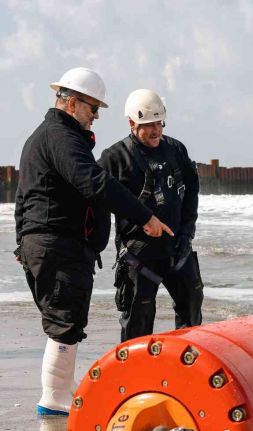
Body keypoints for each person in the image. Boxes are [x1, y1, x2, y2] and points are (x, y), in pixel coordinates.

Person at [15, 67, 174, 416]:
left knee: (64, 318)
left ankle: (61, 388)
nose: (96, 116)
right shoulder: (61, 137)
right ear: (72, 104)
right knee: (65, 320)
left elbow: (22, 196)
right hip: (58, 243)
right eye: (93, 108)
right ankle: (55, 398)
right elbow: (95, 183)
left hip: (46, 243)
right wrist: (145, 216)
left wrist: (21, 244)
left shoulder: (44, 136)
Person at [98, 89, 202, 343]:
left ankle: (185, 373)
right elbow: (97, 201)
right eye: (148, 125)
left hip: (178, 248)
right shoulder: (113, 158)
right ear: (132, 123)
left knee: (192, 311)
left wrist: (187, 232)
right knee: (138, 322)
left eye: (159, 123)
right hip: (139, 255)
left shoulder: (176, 150)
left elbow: (191, 192)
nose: (155, 131)